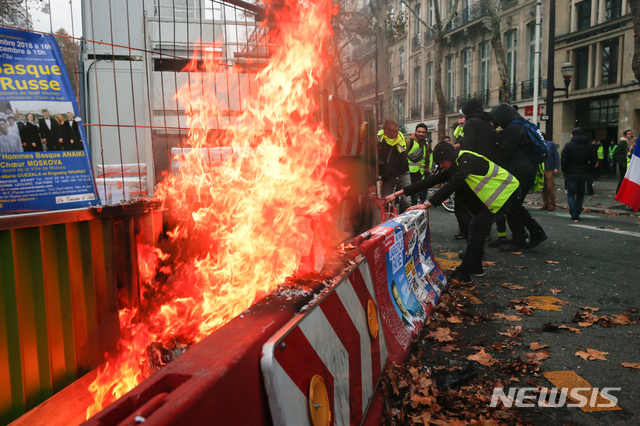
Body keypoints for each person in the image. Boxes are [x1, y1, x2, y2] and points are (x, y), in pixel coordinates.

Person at [387, 142, 520, 282]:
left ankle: (464, 273)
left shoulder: (466, 160)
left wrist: (427, 204)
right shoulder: (457, 162)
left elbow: (453, 183)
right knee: (477, 229)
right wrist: (397, 194)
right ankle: (476, 267)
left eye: (442, 163)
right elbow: (433, 180)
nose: (441, 166)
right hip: (499, 196)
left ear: (449, 157)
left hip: (508, 193)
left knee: (476, 226)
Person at [489, 103, 547, 250]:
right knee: (514, 205)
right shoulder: (521, 124)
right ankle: (534, 232)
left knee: (512, 206)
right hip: (526, 170)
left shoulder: (513, 128)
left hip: (519, 172)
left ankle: (520, 239)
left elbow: (506, 154)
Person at [561, 127, 598, 221]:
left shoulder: (569, 145)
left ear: (573, 134)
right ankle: (577, 212)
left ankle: (573, 212)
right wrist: (589, 169)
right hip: (584, 171)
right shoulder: (589, 145)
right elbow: (594, 159)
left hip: (571, 171)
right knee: (581, 193)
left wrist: (565, 170)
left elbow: (564, 159)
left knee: (571, 193)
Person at [378, 119, 411, 212]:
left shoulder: (400, 138)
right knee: (386, 200)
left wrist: (382, 179)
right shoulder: (379, 140)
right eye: (395, 130)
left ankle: (406, 221)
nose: (398, 132)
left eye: (398, 129)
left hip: (402, 171)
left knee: (407, 200)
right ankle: (386, 222)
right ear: (387, 132)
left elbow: (395, 164)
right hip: (387, 175)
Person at [406, 123, 432, 205]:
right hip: (408, 175)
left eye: (423, 132)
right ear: (415, 132)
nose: (421, 134)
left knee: (414, 198)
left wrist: (427, 170)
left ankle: (411, 215)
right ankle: (402, 216)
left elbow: (427, 158)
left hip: (419, 175)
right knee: (406, 199)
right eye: (419, 132)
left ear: (426, 133)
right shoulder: (409, 142)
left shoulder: (426, 144)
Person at [540, 134, 559, 211]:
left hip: (549, 168)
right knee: (543, 188)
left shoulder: (551, 144)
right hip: (541, 168)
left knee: (550, 187)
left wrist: (556, 167)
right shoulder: (538, 145)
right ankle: (545, 203)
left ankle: (552, 204)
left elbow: (556, 156)